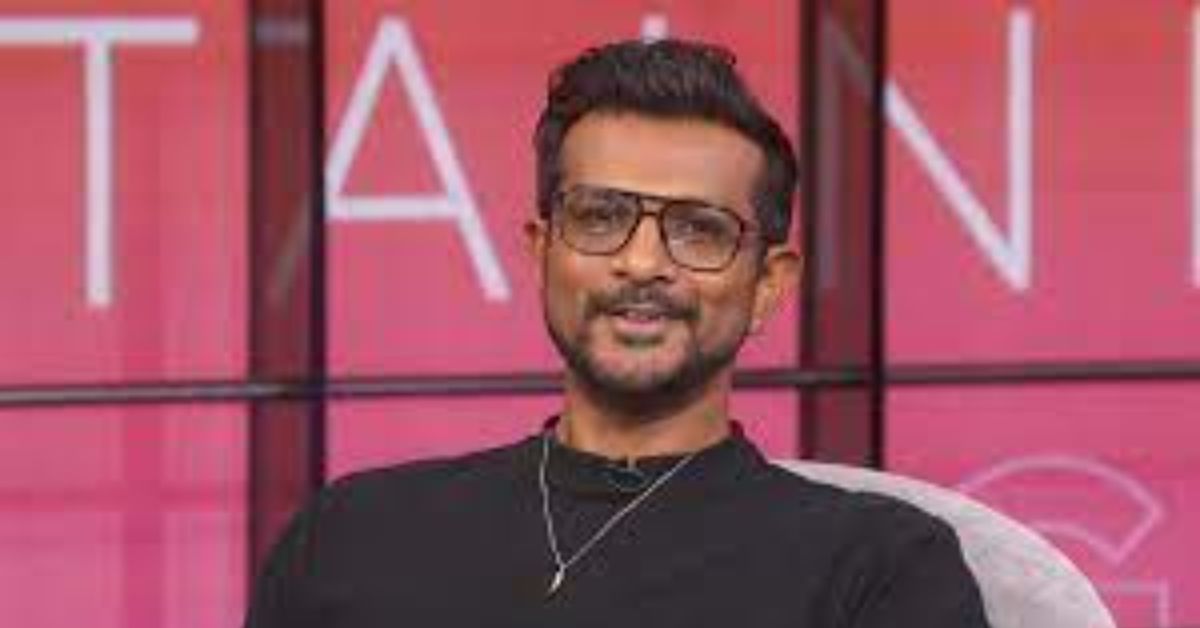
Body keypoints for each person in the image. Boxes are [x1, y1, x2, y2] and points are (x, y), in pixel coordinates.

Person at [243, 39, 991, 628]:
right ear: (543, 251)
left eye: (699, 230)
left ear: (768, 283)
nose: (642, 262)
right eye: (601, 218)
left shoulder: (879, 566)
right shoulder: (352, 537)